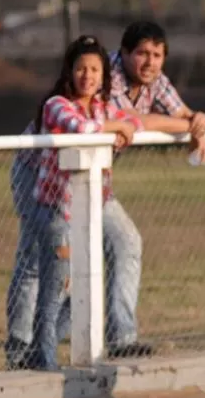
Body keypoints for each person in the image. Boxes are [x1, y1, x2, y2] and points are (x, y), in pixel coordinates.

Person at [4, 21, 205, 368]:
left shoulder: (154, 79)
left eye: (158, 55)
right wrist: (147, 124)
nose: (150, 62)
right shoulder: (103, 75)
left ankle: (120, 339)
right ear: (124, 55)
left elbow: (180, 115)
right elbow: (129, 121)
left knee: (124, 241)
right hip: (41, 173)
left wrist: (198, 127)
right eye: (142, 53)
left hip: (92, 179)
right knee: (36, 262)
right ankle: (21, 349)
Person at [31, 35, 143, 371]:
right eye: (81, 68)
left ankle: (46, 348)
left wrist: (121, 124)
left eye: (95, 69)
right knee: (56, 286)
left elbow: (133, 121)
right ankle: (43, 357)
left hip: (93, 206)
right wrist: (117, 126)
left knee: (84, 283)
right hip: (56, 210)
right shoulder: (57, 105)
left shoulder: (102, 106)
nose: (88, 75)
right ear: (70, 71)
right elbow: (83, 129)